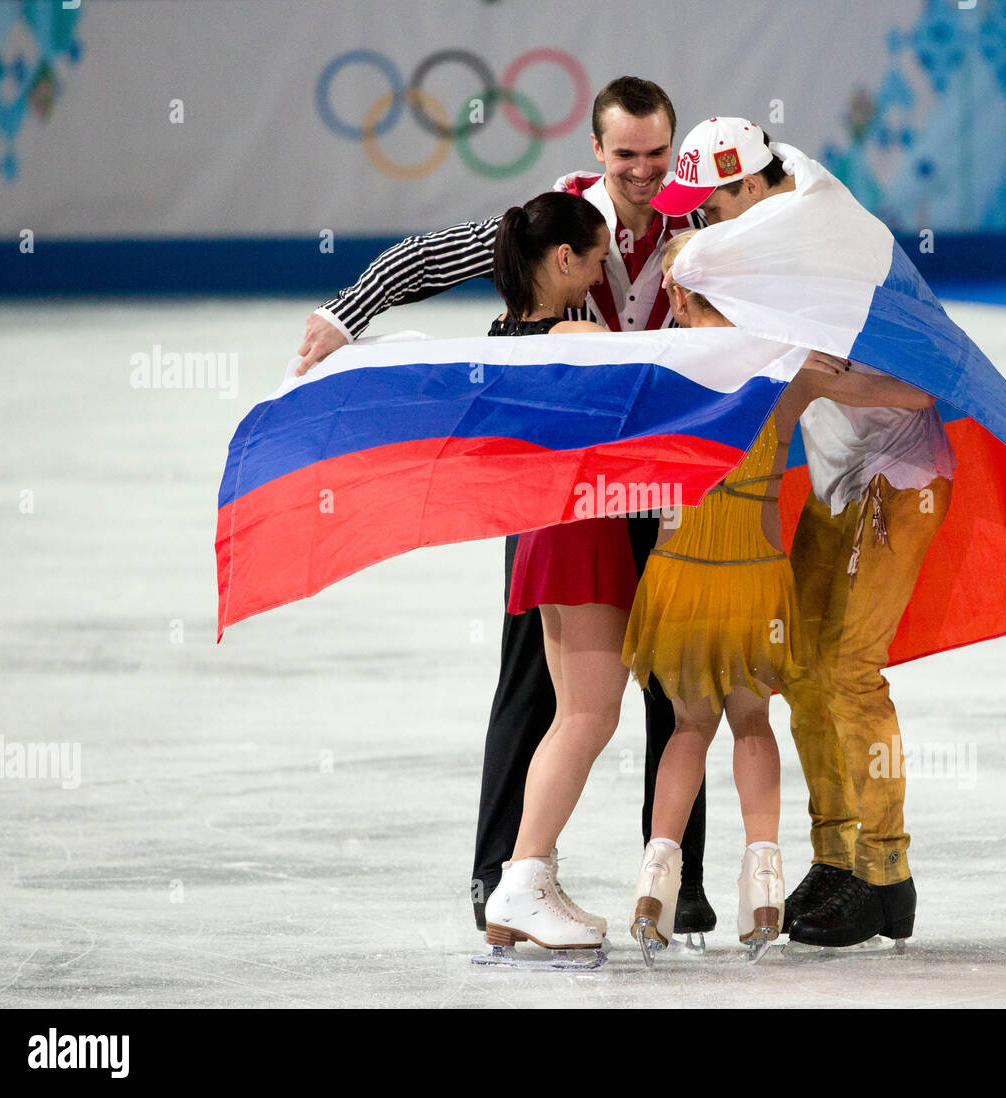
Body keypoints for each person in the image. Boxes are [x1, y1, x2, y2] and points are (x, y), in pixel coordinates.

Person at [294, 77, 717, 937]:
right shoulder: (555, 224)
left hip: (662, 486)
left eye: (656, 154)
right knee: (537, 683)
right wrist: (344, 316)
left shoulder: (698, 228)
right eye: (625, 154)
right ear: (597, 151)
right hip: (556, 494)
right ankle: (501, 871)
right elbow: (431, 256)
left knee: (677, 681)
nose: (642, 171)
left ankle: (674, 878)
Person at [652, 118, 955, 950]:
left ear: (752, 188)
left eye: (709, 206)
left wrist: (689, 252)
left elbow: (684, 263)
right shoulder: (769, 218)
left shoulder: (807, 217)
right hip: (839, 480)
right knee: (803, 670)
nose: (700, 223)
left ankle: (886, 873)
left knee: (848, 669)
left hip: (900, 480)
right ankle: (839, 856)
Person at [477, 191, 623, 953]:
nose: (603, 275)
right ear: (564, 259)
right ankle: (525, 878)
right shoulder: (578, 335)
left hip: (543, 530)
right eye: (598, 261)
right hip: (585, 529)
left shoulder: (502, 334)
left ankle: (523, 883)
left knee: (571, 716)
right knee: (592, 717)